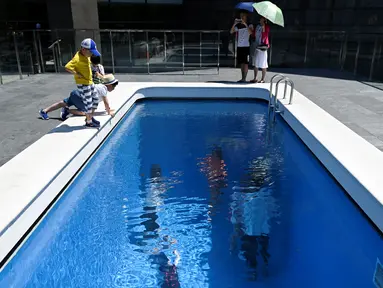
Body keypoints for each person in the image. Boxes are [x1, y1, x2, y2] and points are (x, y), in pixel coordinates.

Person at [39, 74, 119, 121]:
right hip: (80, 97)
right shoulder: (103, 89)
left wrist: (107, 109)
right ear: (108, 85)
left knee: (62, 103)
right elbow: (106, 102)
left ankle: (44, 111)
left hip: (76, 93)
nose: (114, 88)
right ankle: (67, 111)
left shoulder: (100, 86)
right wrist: (109, 112)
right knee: (86, 112)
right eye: (113, 86)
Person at [64, 38, 101, 128]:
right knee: (88, 103)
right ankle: (88, 122)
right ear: (84, 49)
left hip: (89, 81)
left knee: (96, 100)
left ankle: (90, 117)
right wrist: (76, 74)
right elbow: (67, 67)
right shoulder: (77, 58)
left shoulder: (86, 56)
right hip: (83, 84)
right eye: (90, 51)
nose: (92, 54)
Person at [230, 11, 253, 82]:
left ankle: (244, 78)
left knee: (245, 63)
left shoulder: (250, 24)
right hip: (239, 46)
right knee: (241, 63)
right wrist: (234, 24)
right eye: (241, 16)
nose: (242, 17)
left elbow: (250, 32)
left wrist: (245, 24)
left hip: (246, 46)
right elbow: (231, 31)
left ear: (246, 16)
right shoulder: (238, 25)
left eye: (243, 16)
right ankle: (242, 78)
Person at [251, 17, 270, 83]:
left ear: (265, 20)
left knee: (263, 63)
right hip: (257, 46)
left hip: (263, 47)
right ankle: (255, 78)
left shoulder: (266, 27)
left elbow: (265, 34)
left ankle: (262, 79)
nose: (260, 20)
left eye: (262, 20)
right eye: (260, 19)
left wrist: (264, 26)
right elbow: (254, 34)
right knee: (256, 62)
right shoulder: (258, 26)